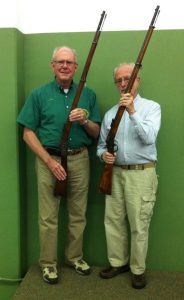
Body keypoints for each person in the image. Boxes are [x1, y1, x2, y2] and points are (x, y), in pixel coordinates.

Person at [17, 46, 101, 284]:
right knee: (48, 216)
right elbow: (27, 133)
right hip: (48, 160)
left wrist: (85, 121)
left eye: (70, 62)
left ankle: (74, 258)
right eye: (60, 62)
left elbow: (95, 132)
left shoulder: (88, 94)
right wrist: (48, 161)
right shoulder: (38, 94)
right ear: (52, 65)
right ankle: (48, 264)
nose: (65, 66)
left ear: (76, 67)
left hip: (80, 158)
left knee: (78, 213)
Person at [97, 63, 161, 289]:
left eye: (129, 79)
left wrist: (132, 111)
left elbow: (149, 138)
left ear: (138, 80)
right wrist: (103, 156)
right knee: (112, 221)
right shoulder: (110, 114)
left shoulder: (152, 108)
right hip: (114, 174)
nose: (124, 83)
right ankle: (117, 262)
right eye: (119, 80)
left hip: (141, 174)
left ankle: (137, 269)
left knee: (139, 224)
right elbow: (101, 146)